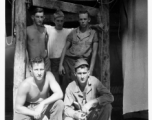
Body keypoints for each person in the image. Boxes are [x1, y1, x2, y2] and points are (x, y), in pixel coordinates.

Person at [59, 9, 98, 93]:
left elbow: (94, 53)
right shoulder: (73, 32)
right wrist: (60, 65)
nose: (83, 21)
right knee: (67, 85)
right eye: (81, 19)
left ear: (88, 20)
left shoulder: (93, 33)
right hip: (69, 62)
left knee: (81, 86)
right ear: (78, 20)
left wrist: (91, 69)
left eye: (84, 19)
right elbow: (65, 48)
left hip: (83, 62)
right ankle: (67, 104)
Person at [44, 10, 73, 83]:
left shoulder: (67, 31)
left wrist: (94, 25)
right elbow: (37, 25)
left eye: (61, 21)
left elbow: (80, 28)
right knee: (53, 82)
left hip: (63, 60)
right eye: (58, 21)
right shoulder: (49, 29)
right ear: (54, 20)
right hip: (52, 60)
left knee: (64, 82)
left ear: (64, 21)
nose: (60, 23)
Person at [26, 7, 50, 77]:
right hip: (33, 62)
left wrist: (47, 59)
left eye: (41, 17)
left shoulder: (45, 29)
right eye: (37, 17)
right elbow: (24, 49)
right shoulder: (27, 30)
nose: (40, 19)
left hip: (44, 61)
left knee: (46, 83)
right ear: (33, 17)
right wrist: (27, 65)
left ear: (44, 17)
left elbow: (45, 46)